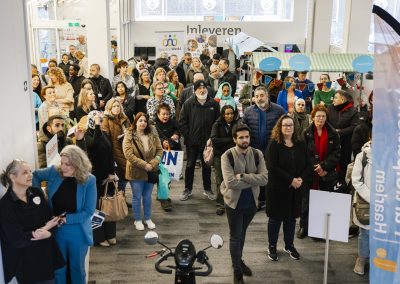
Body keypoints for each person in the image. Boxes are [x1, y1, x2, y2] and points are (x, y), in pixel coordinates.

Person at [32, 145, 97, 283]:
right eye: (62, 163)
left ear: (77, 163)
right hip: (55, 231)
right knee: (58, 269)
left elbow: (89, 210)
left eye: (67, 164)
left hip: (77, 231)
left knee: (77, 270)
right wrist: (39, 197)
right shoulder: (54, 172)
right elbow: (35, 175)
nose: (63, 167)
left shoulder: (89, 180)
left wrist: (65, 219)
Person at [0, 159, 65, 284]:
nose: (30, 175)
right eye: (25, 172)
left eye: (30, 171)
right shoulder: (5, 205)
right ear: (12, 177)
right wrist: (45, 230)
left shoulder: (37, 193)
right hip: (26, 263)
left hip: (45, 257)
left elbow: (50, 220)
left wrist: (49, 232)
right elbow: (17, 239)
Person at [220, 124, 268, 284]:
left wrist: (243, 176)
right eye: (241, 137)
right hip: (233, 203)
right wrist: (253, 178)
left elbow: (265, 179)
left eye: (246, 137)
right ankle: (237, 270)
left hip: (252, 202)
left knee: (242, 233)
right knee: (235, 236)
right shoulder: (227, 156)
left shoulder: (257, 154)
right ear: (235, 139)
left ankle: (238, 260)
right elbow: (231, 183)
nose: (244, 140)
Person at [265, 115, 311, 261]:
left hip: (295, 189)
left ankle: (289, 245)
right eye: (285, 125)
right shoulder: (274, 144)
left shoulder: (300, 143)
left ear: (294, 127)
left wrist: (300, 179)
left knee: (291, 219)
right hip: (277, 188)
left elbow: (308, 164)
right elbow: (272, 167)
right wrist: (290, 180)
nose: (288, 127)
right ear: (280, 127)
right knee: (275, 219)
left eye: (290, 125)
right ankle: (272, 246)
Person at [299, 105, 341, 239]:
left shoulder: (333, 133)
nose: (321, 119)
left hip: (326, 173)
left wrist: (323, 167)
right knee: (306, 201)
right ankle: (303, 227)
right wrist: (316, 167)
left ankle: (319, 230)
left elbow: (336, 153)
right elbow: (304, 153)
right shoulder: (306, 133)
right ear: (313, 117)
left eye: (323, 116)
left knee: (323, 202)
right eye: (318, 116)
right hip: (309, 173)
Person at [243, 86, 285, 210]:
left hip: (272, 150)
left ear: (267, 96)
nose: (259, 98)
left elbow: (285, 128)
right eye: (256, 96)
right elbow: (243, 129)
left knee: (271, 175)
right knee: (256, 175)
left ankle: (270, 200)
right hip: (254, 149)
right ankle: (259, 200)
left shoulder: (279, 110)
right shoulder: (248, 111)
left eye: (261, 95)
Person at [179, 80, 219, 201]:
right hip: (192, 142)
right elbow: (182, 122)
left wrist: (212, 137)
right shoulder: (188, 103)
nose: (202, 90)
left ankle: (207, 189)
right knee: (190, 165)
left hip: (208, 142)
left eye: (204, 88)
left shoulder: (214, 104)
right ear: (195, 90)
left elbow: (217, 122)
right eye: (199, 89)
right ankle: (187, 189)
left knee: (207, 166)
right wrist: (188, 136)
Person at [122, 113, 163, 231]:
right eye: (140, 121)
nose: (143, 123)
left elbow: (160, 151)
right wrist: (144, 164)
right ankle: (138, 219)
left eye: (145, 121)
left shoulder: (152, 133)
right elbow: (128, 154)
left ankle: (148, 218)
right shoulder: (129, 134)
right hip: (136, 171)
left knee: (147, 196)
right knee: (137, 196)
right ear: (135, 122)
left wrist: (153, 163)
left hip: (151, 170)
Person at [84, 111, 118, 247]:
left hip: (107, 176)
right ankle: (98, 237)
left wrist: (112, 172)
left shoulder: (103, 133)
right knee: (97, 207)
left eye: (101, 120)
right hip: (95, 177)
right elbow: (93, 146)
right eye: (98, 120)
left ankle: (110, 234)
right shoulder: (87, 135)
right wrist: (97, 127)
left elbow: (110, 153)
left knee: (108, 205)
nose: (100, 122)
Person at [211, 105, 240, 216]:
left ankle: (231, 202)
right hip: (219, 156)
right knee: (220, 180)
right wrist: (230, 140)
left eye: (231, 113)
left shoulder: (237, 124)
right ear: (223, 114)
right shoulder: (217, 125)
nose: (230, 116)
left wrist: (227, 142)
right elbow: (214, 140)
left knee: (232, 179)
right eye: (227, 114)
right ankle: (220, 204)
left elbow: (239, 139)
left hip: (233, 156)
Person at [154, 103, 180, 211]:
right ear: (158, 114)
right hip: (158, 154)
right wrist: (161, 141)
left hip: (171, 153)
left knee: (167, 176)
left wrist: (176, 134)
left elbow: (178, 130)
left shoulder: (173, 122)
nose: (166, 116)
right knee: (162, 176)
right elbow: (152, 137)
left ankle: (161, 195)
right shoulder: (153, 124)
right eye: (163, 114)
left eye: (167, 114)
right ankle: (164, 200)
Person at [101, 98, 132, 191]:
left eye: (118, 106)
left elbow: (131, 131)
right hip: (113, 150)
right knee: (118, 175)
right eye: (114, 106)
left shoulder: (124, 118)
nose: (116, 108)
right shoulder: (106, 119)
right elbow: (104, 136)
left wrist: (126, 135)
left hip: (125, 149)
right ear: (109, 108)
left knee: (125, 175)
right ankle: (116, 199)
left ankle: (121, 197)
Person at [328, 90, 358, 180]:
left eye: (336, 98)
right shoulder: (330, 108)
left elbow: (354, 126)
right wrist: (333, 132)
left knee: (344, 162)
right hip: (331, 140)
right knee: (330, 160)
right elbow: (327, 121)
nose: (333, 100)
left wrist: (340, 132)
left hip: (346, 142)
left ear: (343, 99)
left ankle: (341, 182)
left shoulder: (353, 110)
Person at [351, 140, 371, 275]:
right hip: (366, 200)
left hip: (388, 202)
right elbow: (356, 180)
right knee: (365, 232)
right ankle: (361, 259)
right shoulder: (362, 156)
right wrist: (373, 197)